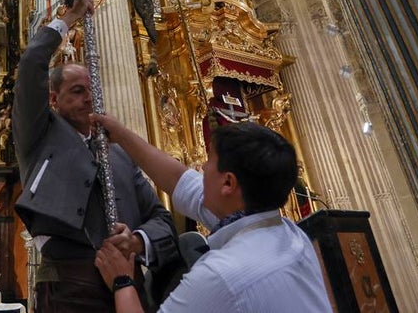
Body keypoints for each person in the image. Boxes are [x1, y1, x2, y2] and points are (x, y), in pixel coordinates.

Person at [13, 0, 179, 313]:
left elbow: (161, 218)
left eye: (93, 90)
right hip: (70, 287)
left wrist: (138, 240)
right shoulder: (39, 137)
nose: (89, 98)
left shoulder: (120, 154)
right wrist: (68, 19)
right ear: (53, 100)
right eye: (77, 91)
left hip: (131, 284)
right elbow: (32, 63)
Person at [91, 114, 331, 313]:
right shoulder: (290, 233)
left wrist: (122, 281)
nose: (202, 167)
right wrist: (121, 135)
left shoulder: (222, 276)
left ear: (228, 183)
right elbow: (179, 180)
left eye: (209, 160)